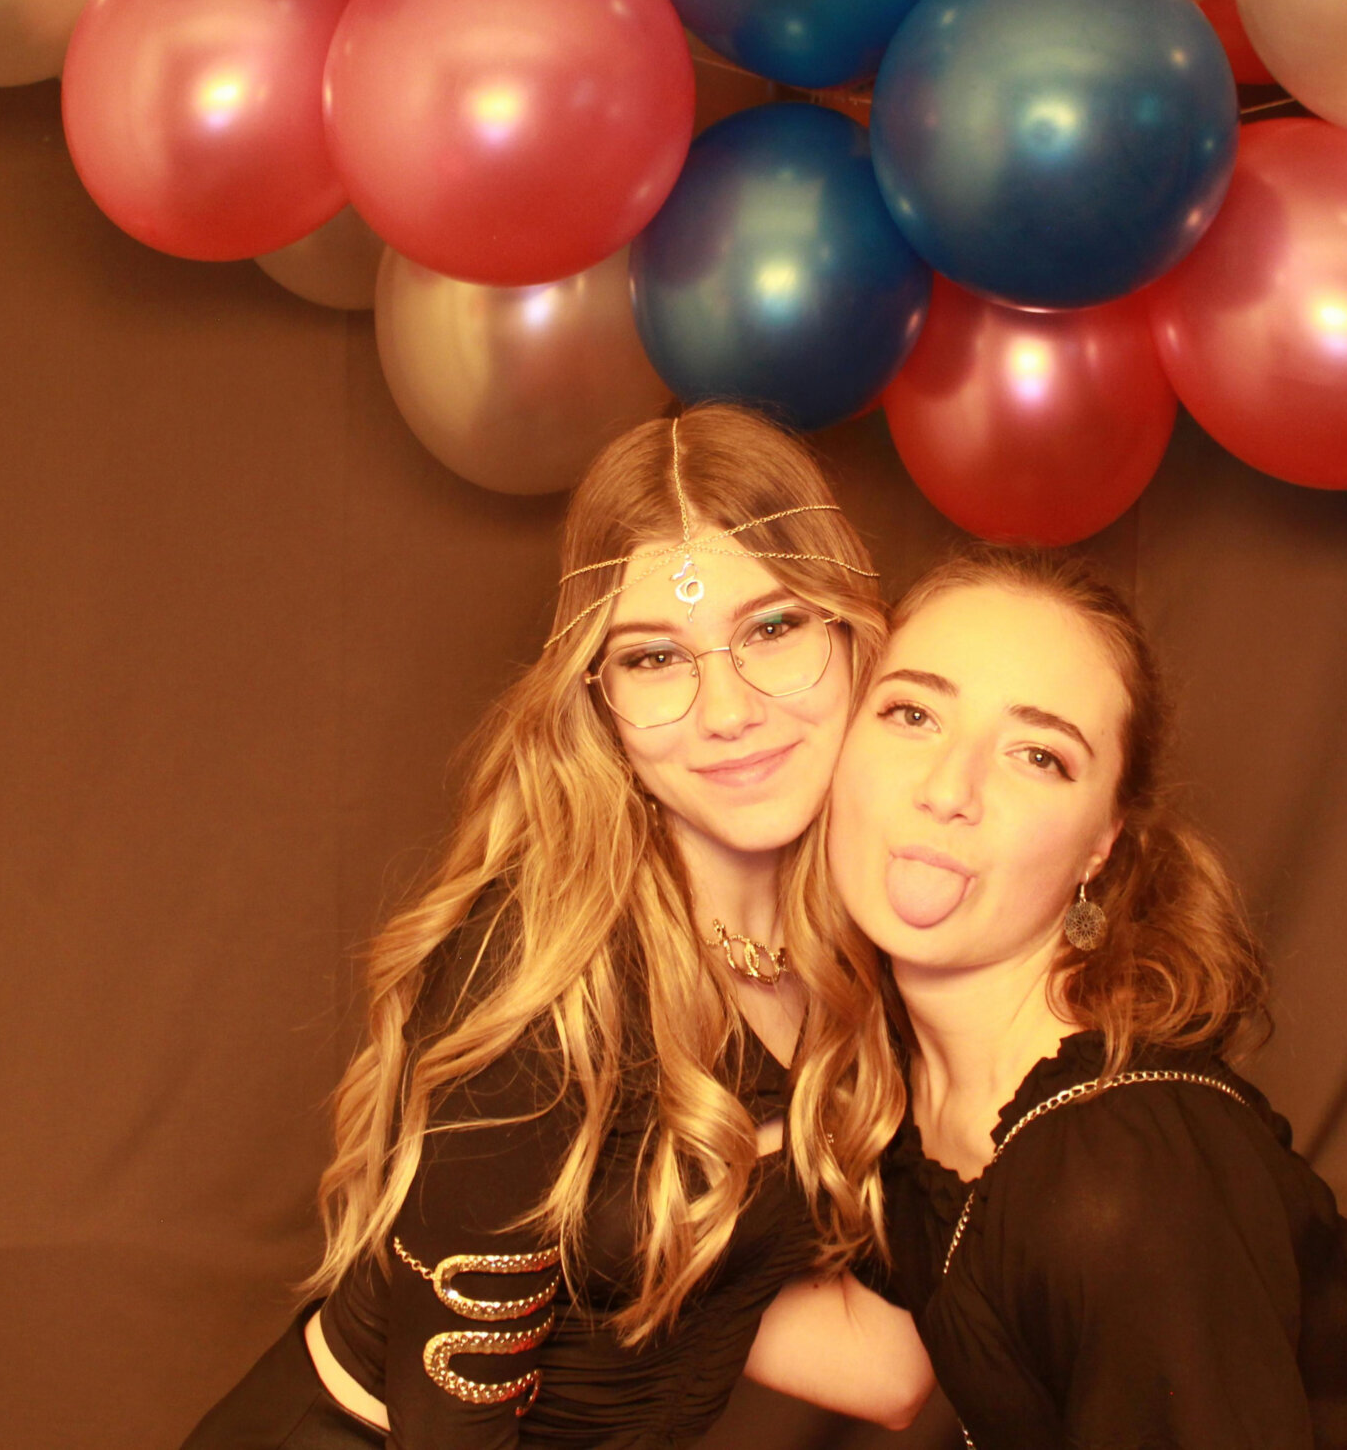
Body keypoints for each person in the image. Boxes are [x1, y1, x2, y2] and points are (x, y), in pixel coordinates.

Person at [181, 406, 925, 1450]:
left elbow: (890, 1368)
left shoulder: (859, 948)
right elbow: (450, 1431)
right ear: (598, 696)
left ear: (852, 631)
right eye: (654, 658)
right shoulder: (542, 971)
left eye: (772, 629)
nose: (727, 710)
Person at [793, 546, 1347, 1450]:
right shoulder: (923, 1078)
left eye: (1038, 755)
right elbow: (887, 1366)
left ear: (1102, 843)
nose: (950, 789)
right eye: (913, 713)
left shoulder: (1114, 1178)